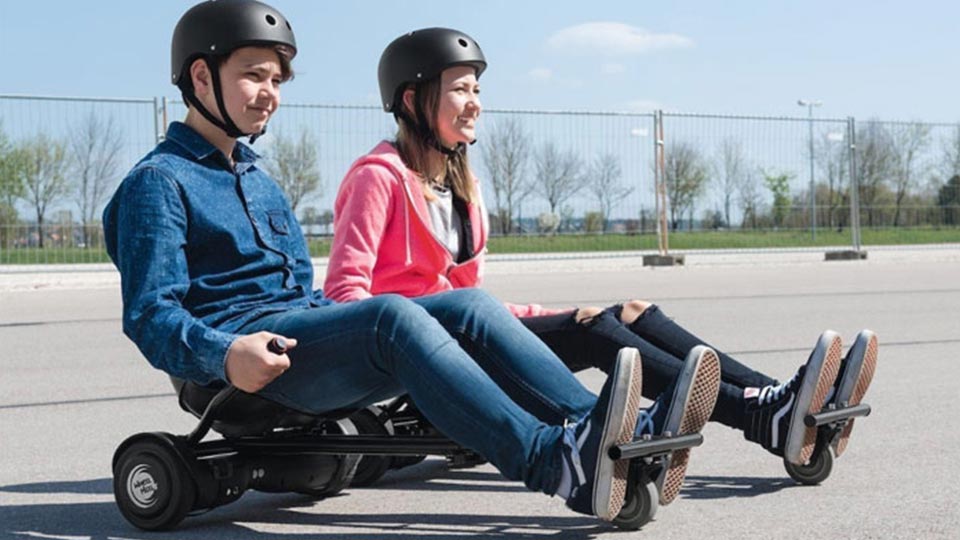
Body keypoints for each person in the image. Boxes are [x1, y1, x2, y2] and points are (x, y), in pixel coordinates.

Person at [101, 0, 695, 524]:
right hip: (244, 364)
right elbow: (151, 315)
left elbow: (305, 295)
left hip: (300, 336)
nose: (271, 93)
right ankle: (554, 463)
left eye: (278, 79)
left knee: (468, 305)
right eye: (254, 76)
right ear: (202, 76)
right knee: (390, 315)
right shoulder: (157, 184)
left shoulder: (257, 178)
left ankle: (615, 432)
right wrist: (224, 354)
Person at [322, 26, 879, 487]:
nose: (475, 104)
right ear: (414, 99)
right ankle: (763, 417)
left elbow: (472, 297)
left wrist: (554, 311)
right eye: (461, 89)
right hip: (424, 349)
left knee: (630, 311)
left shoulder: (462, 188)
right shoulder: (378, 177)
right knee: (594, 330)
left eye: (477, 91)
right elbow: (346, 294)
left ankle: (770, 399)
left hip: (474, 335)